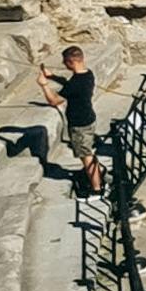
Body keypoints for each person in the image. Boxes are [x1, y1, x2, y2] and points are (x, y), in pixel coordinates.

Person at [40, 45, 99, 195]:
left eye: (65, 62)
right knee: (87, 153)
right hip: (89, 119)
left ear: (70, 62)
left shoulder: (75, 84)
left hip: (80, 125)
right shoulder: (88, 74)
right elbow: (69, 85)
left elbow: (54, 100)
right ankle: (94, 178)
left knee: (86, 157)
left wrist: (44, 85)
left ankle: (97, 189)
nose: (64, 65)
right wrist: (52, 76)